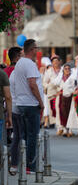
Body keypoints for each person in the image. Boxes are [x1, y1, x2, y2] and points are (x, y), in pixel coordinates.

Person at [13, 39, 44, 173]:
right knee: (32, 136)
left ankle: (23, 164)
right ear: (32, 50)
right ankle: (30, 166)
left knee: (24, 136)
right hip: (30, 104)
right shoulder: (30, 64)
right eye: (36, 48)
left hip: (21, 103)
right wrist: (41, 102)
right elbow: (32, 84)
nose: (37, 50)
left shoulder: (19, 63)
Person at [54, 64, 75, 137]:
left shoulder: (73, 78)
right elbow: (54, 85)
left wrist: (71, 91)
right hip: (62, 97)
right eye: (65, 69)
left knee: (70, 112)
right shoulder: (60, 78)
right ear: (63, 70)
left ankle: (70, 129)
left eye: (68, 68)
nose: (67, 70)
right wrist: (58, 91)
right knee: (63, 112)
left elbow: (75, 87)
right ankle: (65, 128)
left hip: (70, 97)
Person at [43, 56, 62, 129]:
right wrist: (49, 85)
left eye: (57, 61)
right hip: (52, 92)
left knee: (60, 107)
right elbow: (44, 82)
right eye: (54, 62)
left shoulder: (62, 70)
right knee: (52, 108)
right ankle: (53, 122)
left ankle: (60, 123)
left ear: (59, 62)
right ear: (52, 63)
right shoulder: (49, 71)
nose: (56, 63)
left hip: (60, 91)